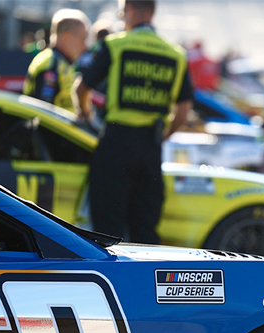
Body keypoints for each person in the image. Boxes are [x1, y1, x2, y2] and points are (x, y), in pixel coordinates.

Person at [75, 0, 191, 245]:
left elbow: (82, 88)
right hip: (151, 147)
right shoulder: (176, 55)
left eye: (122, 13)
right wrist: (163, 135)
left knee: (107, 230)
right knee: (145, 228)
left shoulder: (116, 45)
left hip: (116, 143)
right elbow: (183, 111)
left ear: (131, 12)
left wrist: (85, 114)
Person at [26, 10, 91, 112]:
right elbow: (44, 112)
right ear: (67, 36)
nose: (85, 47)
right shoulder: (51, 64)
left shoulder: (62, 62)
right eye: (83, 39)